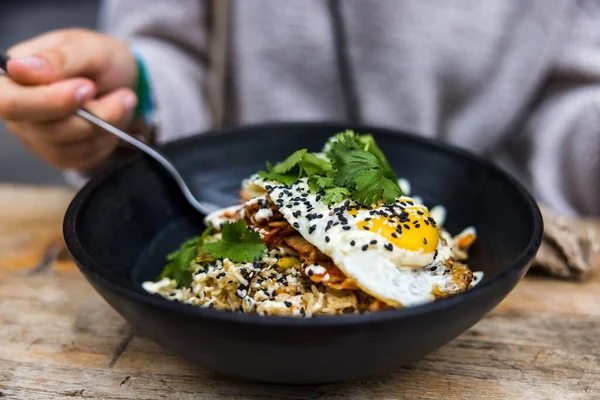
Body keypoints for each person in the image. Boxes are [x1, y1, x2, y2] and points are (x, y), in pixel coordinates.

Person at [0, 0, 598, 217]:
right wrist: (132, 97)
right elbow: (172, 54)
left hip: (500, 228)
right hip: (215, 191)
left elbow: (571, 91)